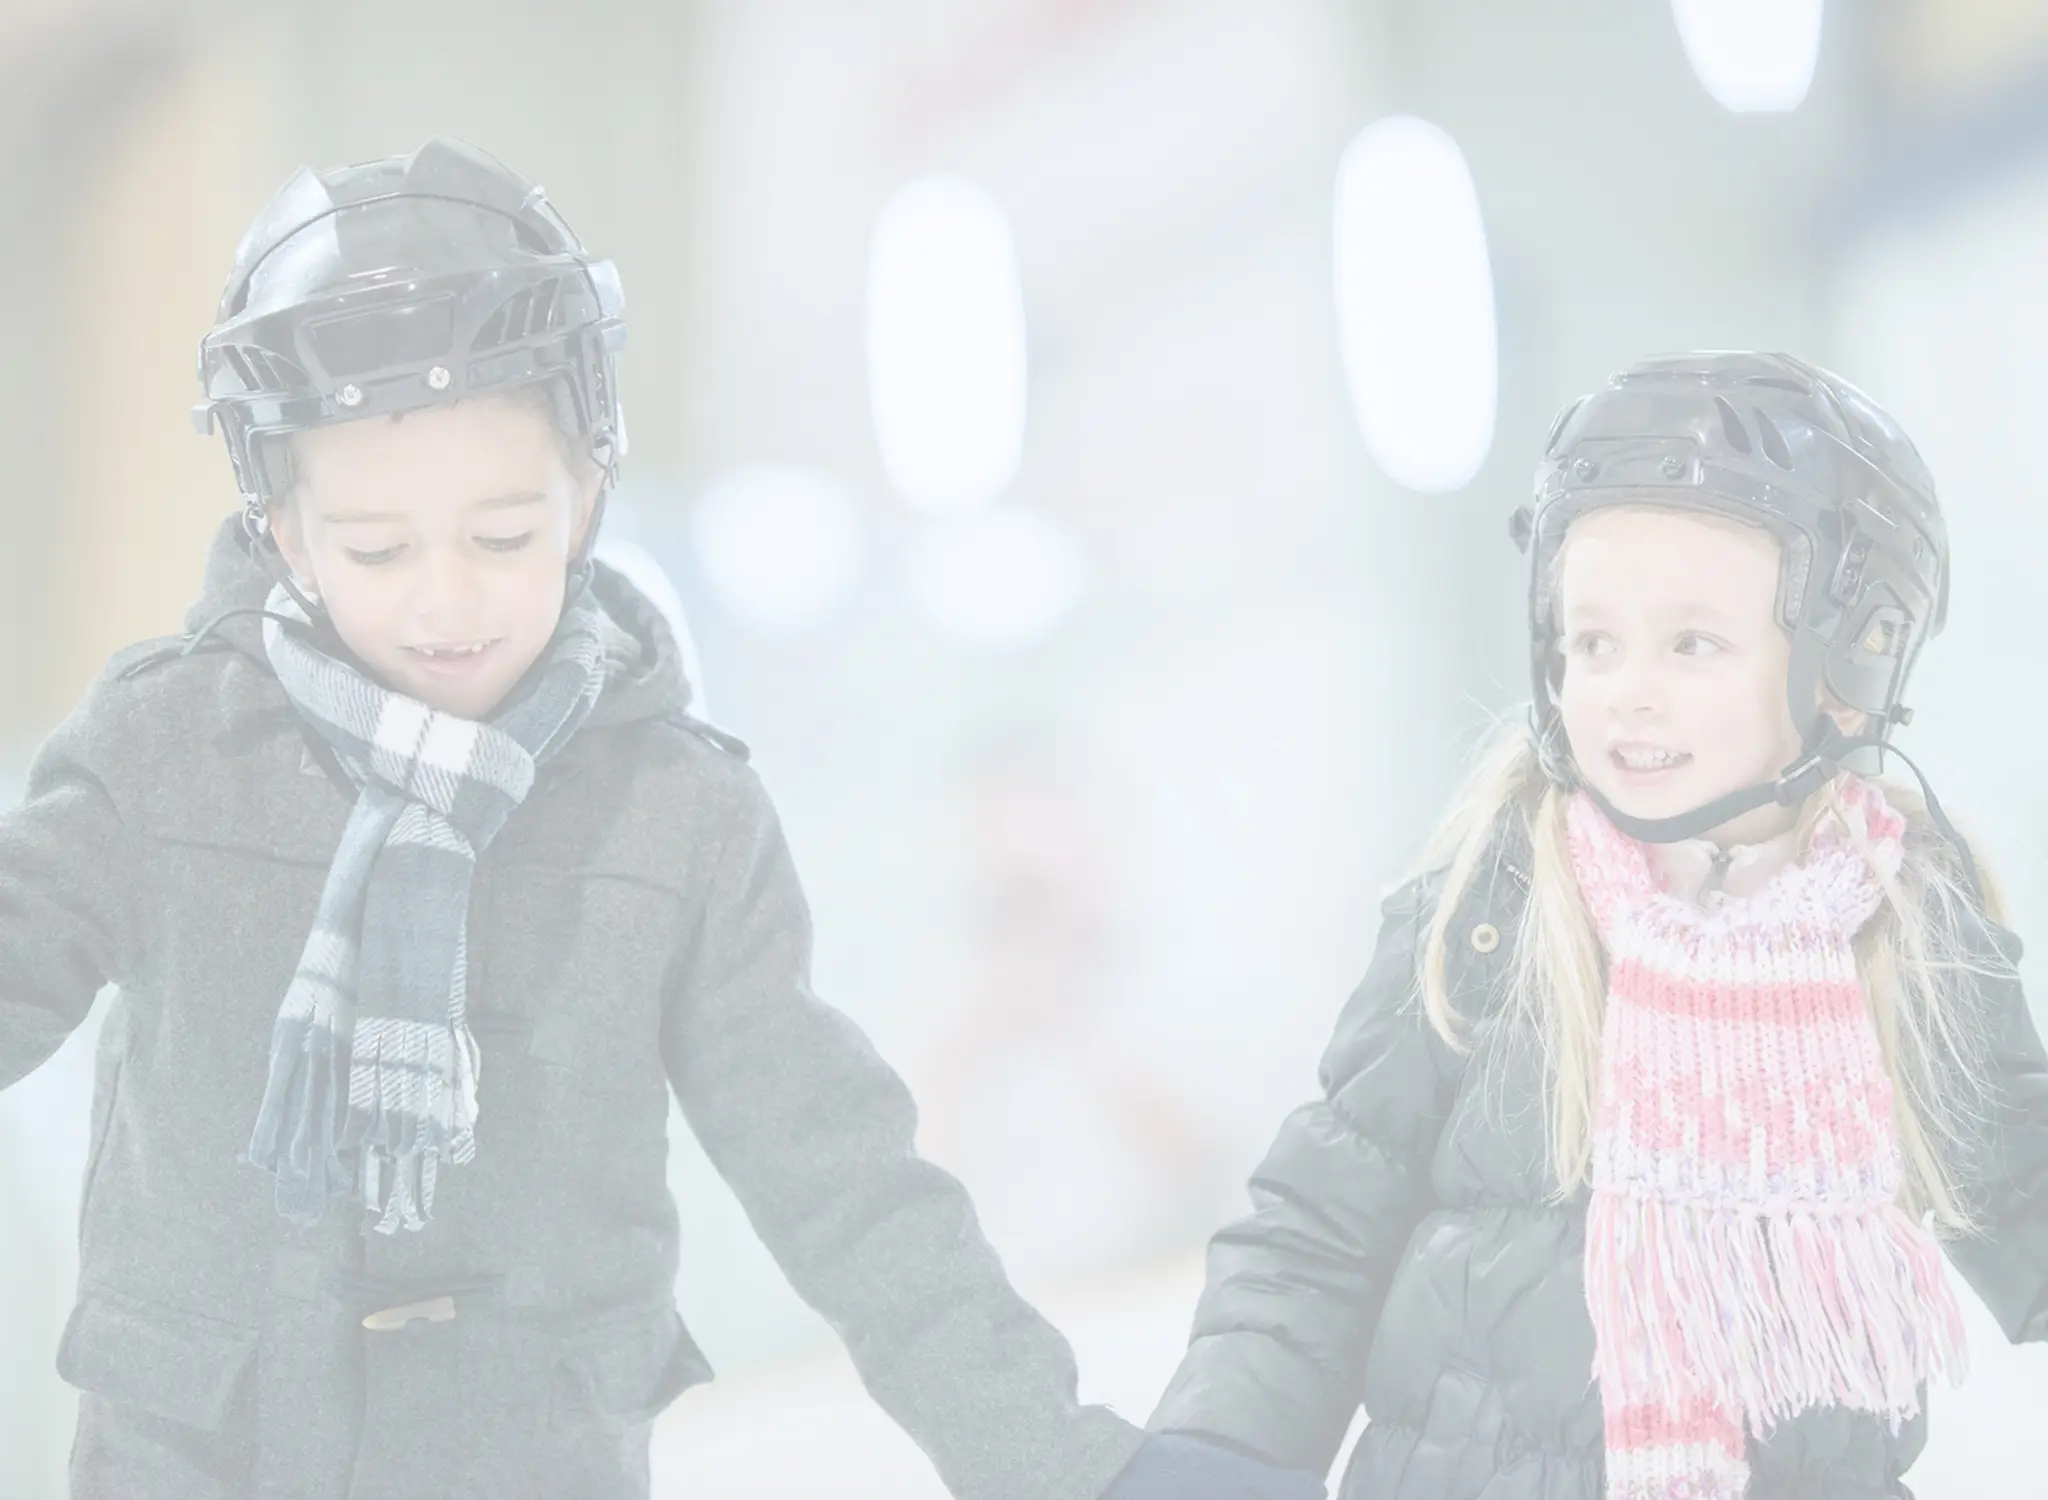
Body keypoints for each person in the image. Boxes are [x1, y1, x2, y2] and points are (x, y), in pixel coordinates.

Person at [0, 135, 1179, 1500]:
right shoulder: (163, 756)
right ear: (279, 529)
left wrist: (1065, 1468)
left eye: (504, 536)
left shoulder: (678, 817)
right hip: (191, 1463)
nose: (446, 600)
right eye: (378, 550)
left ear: (589, 493)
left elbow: (845, 1182)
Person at [1129, 353, 2048, 1500]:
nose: (1625, 689)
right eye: (1591, 642)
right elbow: (1321, 1223)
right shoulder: (1495, 907)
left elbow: (2024, 1194)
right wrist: (1221, 1453)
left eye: (1690, 644)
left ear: (1849, 657)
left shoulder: (1906, 928)